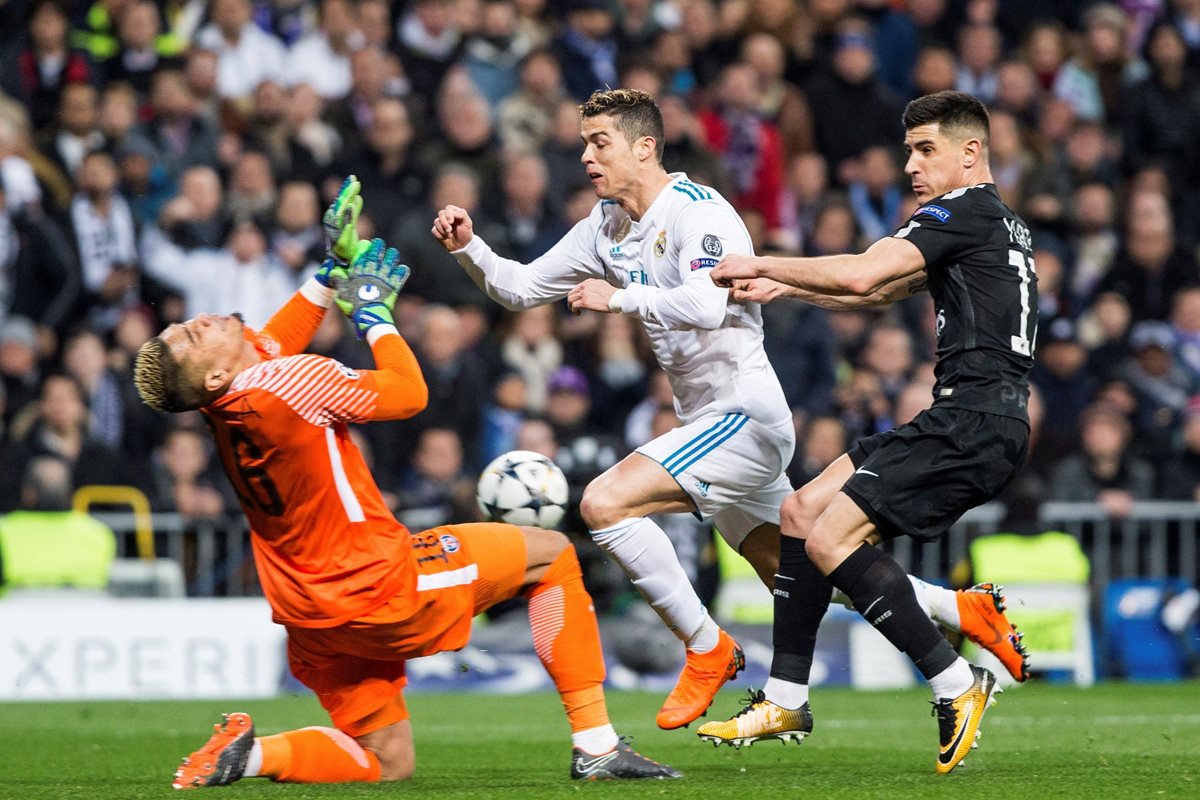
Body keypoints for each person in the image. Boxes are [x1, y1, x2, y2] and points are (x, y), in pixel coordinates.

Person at [432, 88, 1026, 732]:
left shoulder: (697, 212)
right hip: (705, 421)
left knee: (604, 504)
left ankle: (706, 648)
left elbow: (709, 302)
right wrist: (471, 249)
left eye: (599, 142)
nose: (585, 157)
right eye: (583, 143)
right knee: (803, 573)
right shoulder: (603, 227)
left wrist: (621, 299)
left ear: (644, 147)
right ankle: (954, 610)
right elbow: (519, 289)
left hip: (743, 414)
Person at [137, 181, 677, 788]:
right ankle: (597, 745)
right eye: (189, 335)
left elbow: (270, 343)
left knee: (389, 763)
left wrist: (333, 268)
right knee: (551, 558)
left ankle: (252, 756)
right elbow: (408, 392)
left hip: (309, 615)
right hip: (377, 583)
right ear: (212, 374)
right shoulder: (289, 385)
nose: (197, 320)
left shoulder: (224, 402)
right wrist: (373, 315)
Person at [697, 91, 1035, 775]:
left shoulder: (957, 210)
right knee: (800, 511)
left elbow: (859, 271)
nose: (911, 164)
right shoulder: (994, 224)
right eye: (908, 149)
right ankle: (788, 696)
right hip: (969, 416)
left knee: (829, 539)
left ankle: (955, 682)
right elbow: (878, 293)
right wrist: (791, 292)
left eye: (925, 149)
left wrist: (765, 263)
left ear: (971, 153)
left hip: (972, 420)